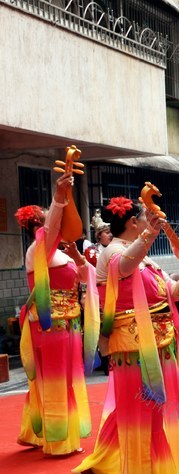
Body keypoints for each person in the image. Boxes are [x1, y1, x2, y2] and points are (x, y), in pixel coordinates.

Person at [73, 195, 179, 474]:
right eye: (144, 219)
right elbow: (125, 266)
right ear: (133, 223)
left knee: (137, 413)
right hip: (132, 346)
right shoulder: (113, 253)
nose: (148, 224)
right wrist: (150, 235)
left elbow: (171, 295)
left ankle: (97, 468)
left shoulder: (148, 260)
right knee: (141, 416)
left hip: (157, 343)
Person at [16, 172, 99, 456]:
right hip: (50, 324)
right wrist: (59, 198)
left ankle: (35, 432)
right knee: (54, 379)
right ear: (40, 226)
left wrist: (77, 256)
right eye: (50, 219)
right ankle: (57, 439)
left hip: (66, 322)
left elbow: (82, 274)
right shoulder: (38, 250)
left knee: (55, 378)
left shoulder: (55, 253)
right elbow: (51, 230)